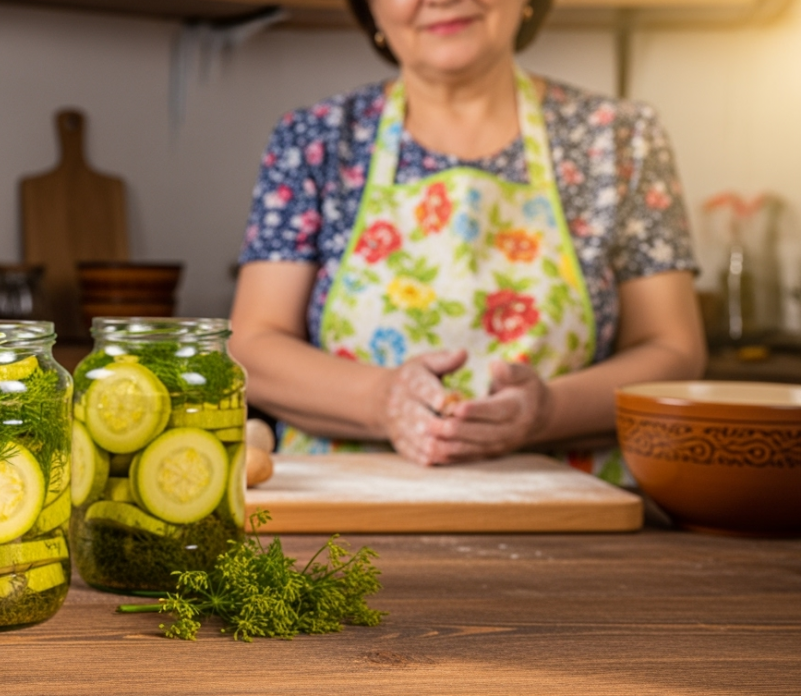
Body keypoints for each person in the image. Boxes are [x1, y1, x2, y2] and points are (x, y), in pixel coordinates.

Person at [228, 0, 706, 483]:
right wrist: (382, 401)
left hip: (570, 504)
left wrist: (548, 412)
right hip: (344, 504)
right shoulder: (314, 140)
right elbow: (254, 343)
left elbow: (673, 347)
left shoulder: (620, 139)